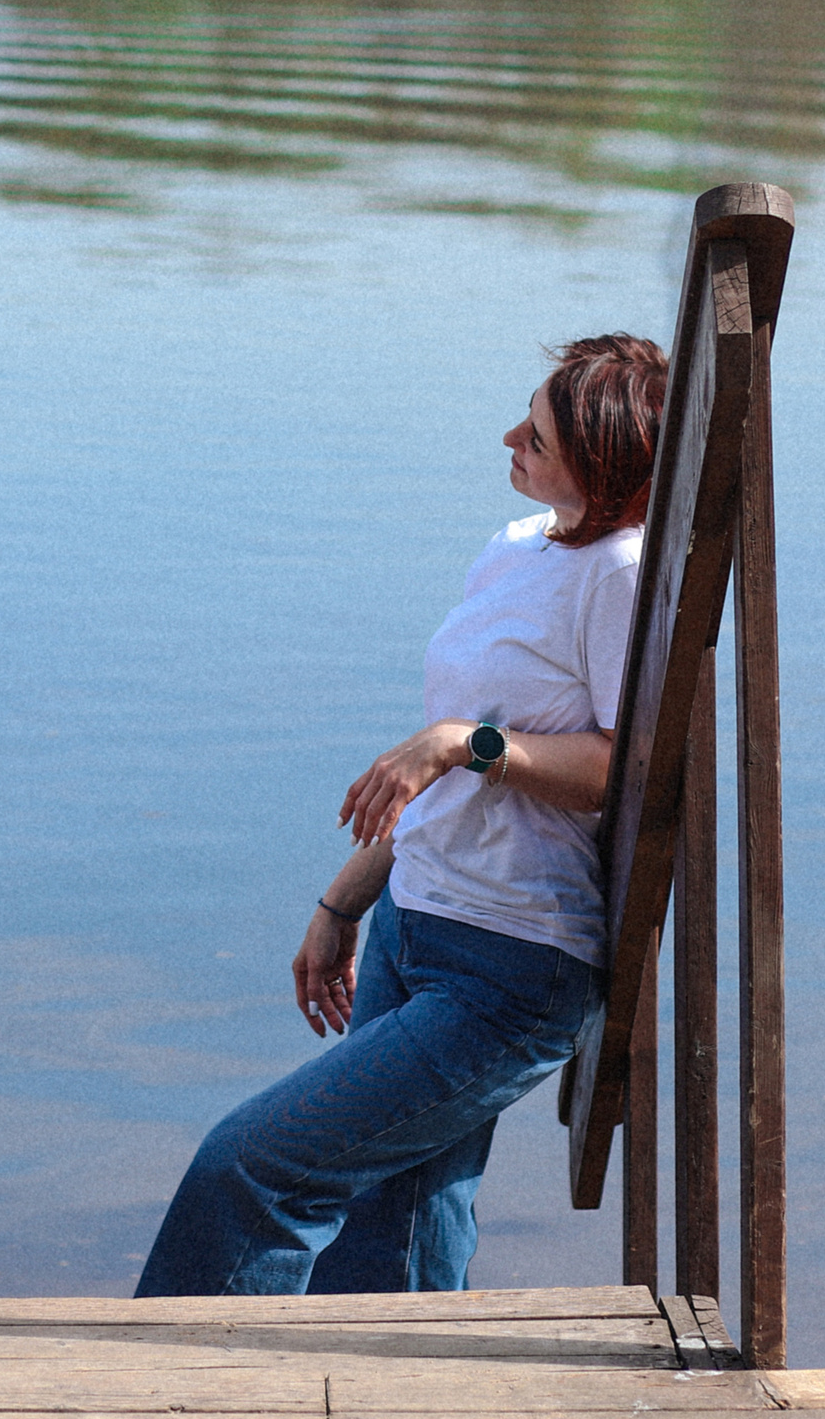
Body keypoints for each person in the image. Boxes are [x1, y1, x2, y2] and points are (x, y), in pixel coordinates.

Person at [133, 333, 666, 1297]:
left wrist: (467, 742)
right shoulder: (518, 546)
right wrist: (347, 897)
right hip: (412, 923)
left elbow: (618, 767)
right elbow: (448, 771)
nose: (508, 438)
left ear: (602, 467)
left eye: (537, 438)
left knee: (253, 1169)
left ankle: (175, 1383)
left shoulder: (621, 574)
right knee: (399, 1219)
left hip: (512, 964)